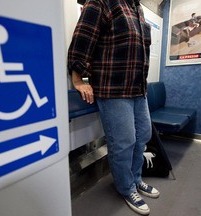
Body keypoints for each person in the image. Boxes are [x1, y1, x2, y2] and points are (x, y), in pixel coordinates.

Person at [67, 0, 160, 215]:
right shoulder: (103, 2)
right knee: (123, 143)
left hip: (138, 89)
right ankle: (126, 187)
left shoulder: (136, 8)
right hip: (114, 89)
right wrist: (78, 79)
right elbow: (82, 39)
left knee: (143, 136)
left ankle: (136, 179)